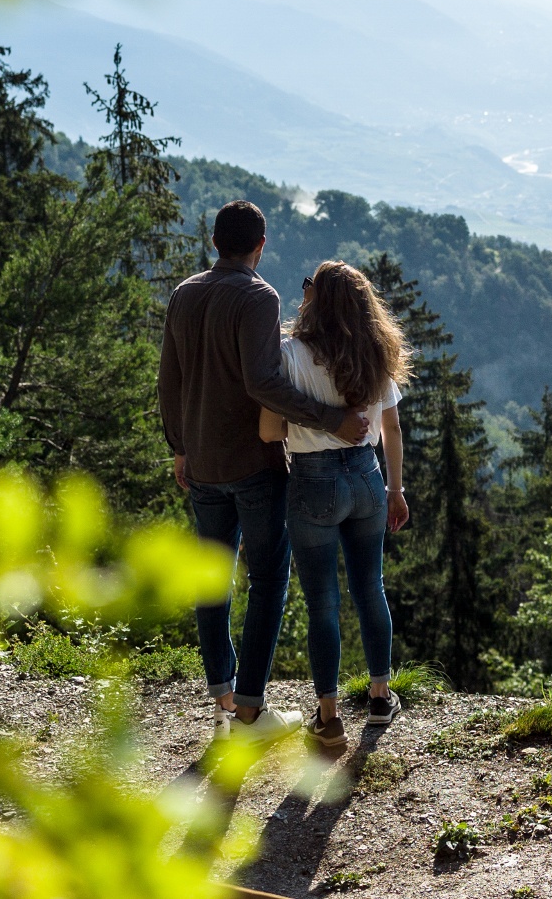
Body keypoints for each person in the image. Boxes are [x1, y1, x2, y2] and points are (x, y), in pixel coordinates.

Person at [159, 201, 372, 742]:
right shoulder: (259, 296)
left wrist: (179, 447)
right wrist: (332, 420)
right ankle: (250, 713)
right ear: (262, 244)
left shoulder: (185, 293)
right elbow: (262, 383)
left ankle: (223, 699)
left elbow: (170, 380)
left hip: (201, 462)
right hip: (253, 464)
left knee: (212, 579)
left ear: (213, 240)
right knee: (269, 579)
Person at [258, 259, 411, 754]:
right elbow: (391, 429)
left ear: (316, 301)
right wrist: (395, 490)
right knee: (371, 587)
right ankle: (381, 696)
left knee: (322, 600)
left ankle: (328, 719)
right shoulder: (377, 352)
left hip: (314, 481)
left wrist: (301, 430)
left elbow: (267, 431)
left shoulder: (289, 355)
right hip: (368, 478)